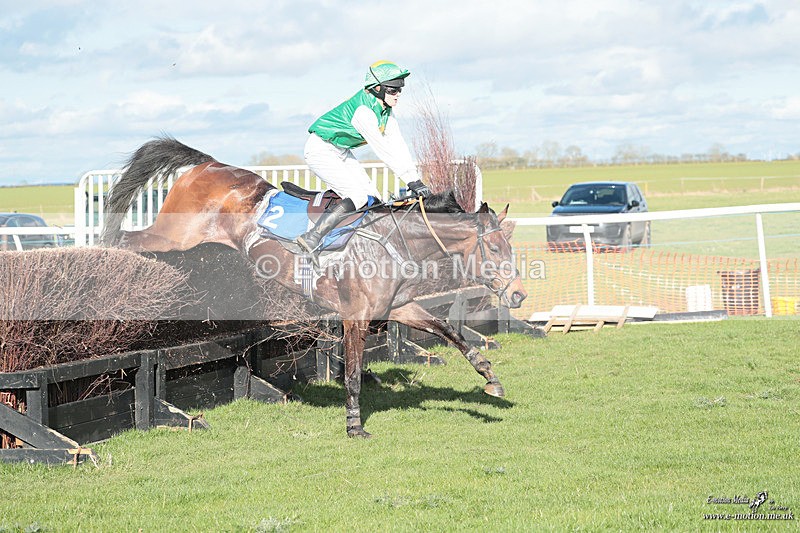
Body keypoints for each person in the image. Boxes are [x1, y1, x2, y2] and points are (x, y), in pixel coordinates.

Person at [296, 60, 430, 259]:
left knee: (374, 198)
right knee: (358, 196)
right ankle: (312, 237)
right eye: (393, 90)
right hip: (320, 150)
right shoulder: (364, 112)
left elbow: (398, 145)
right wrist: (411, 181)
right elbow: (383, 149)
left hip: (340, 151)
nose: (398, 94)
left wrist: (415, 178)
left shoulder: (385, 111)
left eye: (400, 90)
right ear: (376, 88)